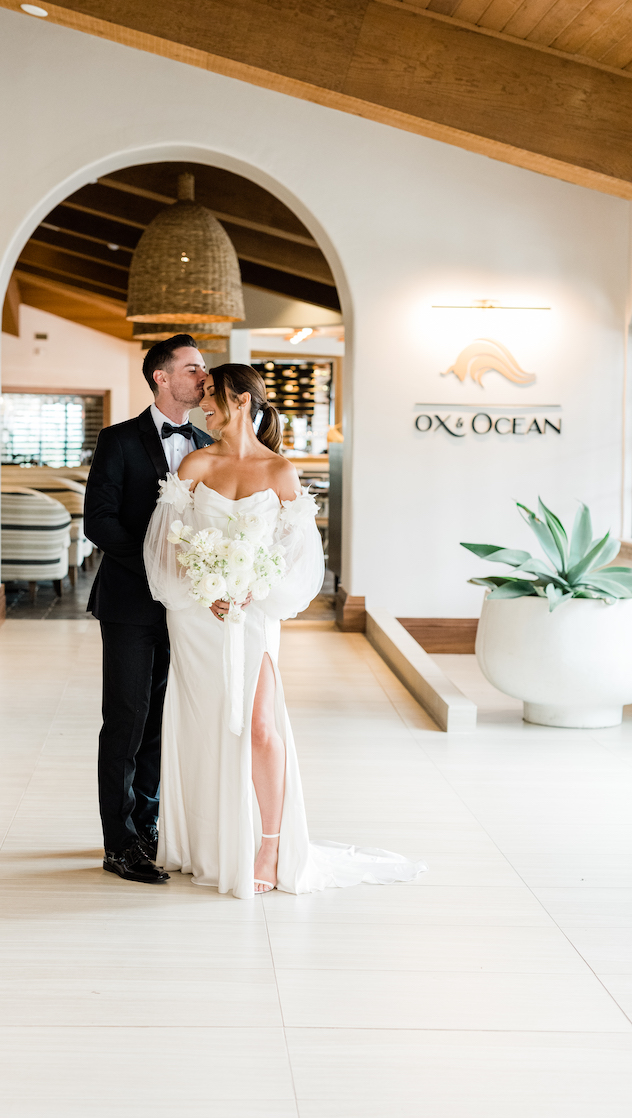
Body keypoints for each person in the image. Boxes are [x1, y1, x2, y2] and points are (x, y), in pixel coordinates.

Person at [144, 363, 427, 897]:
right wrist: (207, 588)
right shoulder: (194, 465)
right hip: (198, 618)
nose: (205, 405)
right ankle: (205, 844)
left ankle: (270, 846)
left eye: (212, 397)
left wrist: (251, 586)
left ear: (242, 402)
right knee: (203, 726)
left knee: (259, 727)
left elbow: (298, 559)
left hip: (253, 614)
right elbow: (166, 548)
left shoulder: (281, 473)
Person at [84, 334, 213, 883]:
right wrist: (161, 564)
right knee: (127, 721)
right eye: (193, 368)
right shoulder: (118, 440)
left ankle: (149, 827)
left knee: (162, 722)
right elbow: (99, 522)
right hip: (131, 604)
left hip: (189, 612)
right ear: (161, 376)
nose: (203, 377)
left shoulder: (209, 442)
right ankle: (119, 844)